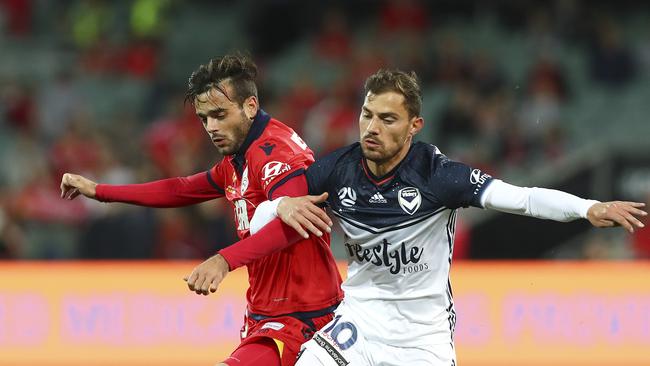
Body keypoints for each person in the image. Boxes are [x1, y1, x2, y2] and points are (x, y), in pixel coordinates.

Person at [192, 69, 647, 365]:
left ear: (414, 127)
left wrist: (590, 208)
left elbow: (522, 198)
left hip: (421, 340)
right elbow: (270, 212)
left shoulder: (439, 176)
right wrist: (280, 206)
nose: (372, 128)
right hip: (357, 323)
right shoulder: (338, 167)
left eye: (388, 119)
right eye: (367, 115)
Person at [60, 53, 343, 366]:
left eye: (220, 115)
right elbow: (182, 188)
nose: (211, 127)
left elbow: (294, 224)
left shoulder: (274, 151)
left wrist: (223, 261)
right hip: (266, 313)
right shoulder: (239, 158)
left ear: (250, 106)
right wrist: (100, 191)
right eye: (204, 118)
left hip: (301, 318)